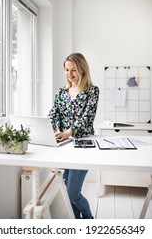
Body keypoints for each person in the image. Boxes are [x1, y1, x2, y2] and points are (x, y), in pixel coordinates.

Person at [48, 52, 99, 219]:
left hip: (83, 145)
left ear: (82, 70)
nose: (69, 74)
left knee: (72, 193)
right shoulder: (61, 92)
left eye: (74, 70)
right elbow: (53, 114)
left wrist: (69, 131)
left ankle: (90, 220)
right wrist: (55, 129)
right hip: (65, 146)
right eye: (67, 70)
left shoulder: (92, 91)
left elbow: (87, 118)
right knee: (68, 190)